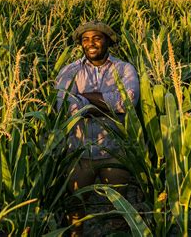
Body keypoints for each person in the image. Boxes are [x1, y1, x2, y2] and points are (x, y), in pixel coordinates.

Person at [55, 20, 140, 236]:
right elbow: (66, 106)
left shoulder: (124, 69)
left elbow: (128, 101)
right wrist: (108, 104)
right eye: (85, 39)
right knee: (74, 210)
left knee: (119, 211)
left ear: (108, 41)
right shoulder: (70, 70)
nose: (90, 43)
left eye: (96, 38)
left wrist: (84, 100)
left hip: (115, 152)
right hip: (79, 153)